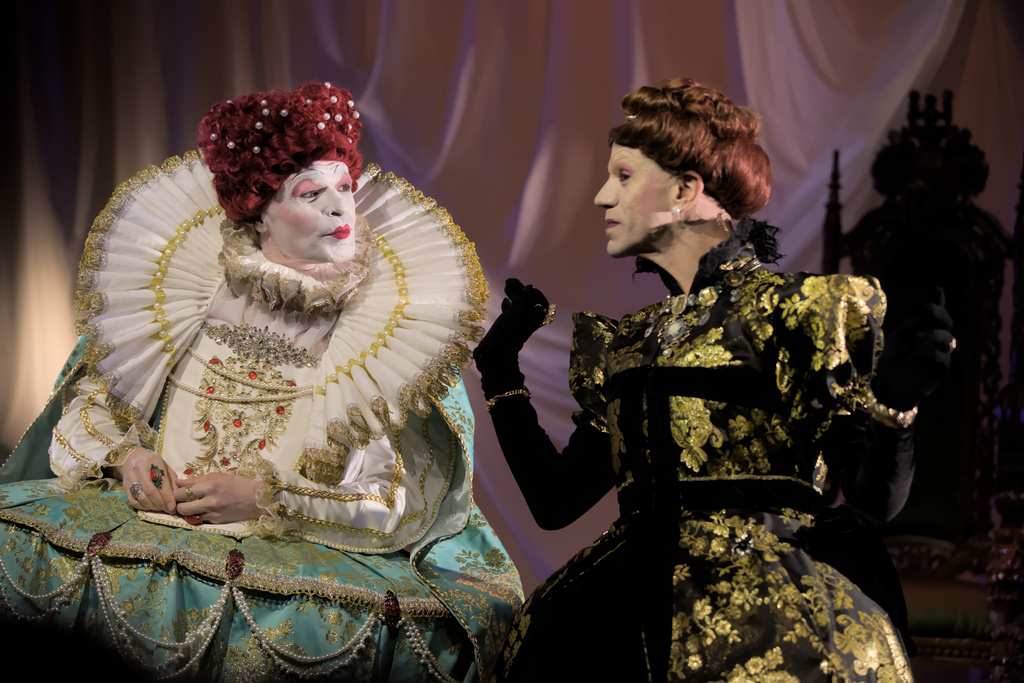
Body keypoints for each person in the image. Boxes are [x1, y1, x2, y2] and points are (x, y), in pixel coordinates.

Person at [0, 81, 522, 681]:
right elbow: (88, 412)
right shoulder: (191, 295)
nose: (340, 208)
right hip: (150, 522)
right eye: (311, 192)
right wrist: (127, 459)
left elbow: (390, 501)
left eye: (345, 188)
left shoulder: (390, 330)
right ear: (258, 208)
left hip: (289, 541)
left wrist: (268, 499)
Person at [473, 78, 952, 681]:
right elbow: (557, 502)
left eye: (623, 176)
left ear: (684, 190)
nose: (601, 196)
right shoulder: (628, 342)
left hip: (769, 616)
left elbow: (875, 496)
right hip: (625, 612)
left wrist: (894, 406)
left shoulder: (793, 314)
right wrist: (499, 368)